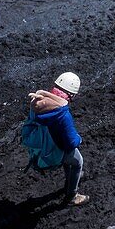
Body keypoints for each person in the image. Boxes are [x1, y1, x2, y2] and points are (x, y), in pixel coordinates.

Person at [28, 72, 88, 206]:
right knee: (78, 162)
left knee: (71, 162)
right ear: (71, 94)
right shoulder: (62, 114)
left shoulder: (38, 103)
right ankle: (72, 196)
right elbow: (71, 142)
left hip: (45, 145)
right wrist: (79, 139)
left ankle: (70, 178)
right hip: (57, 148)